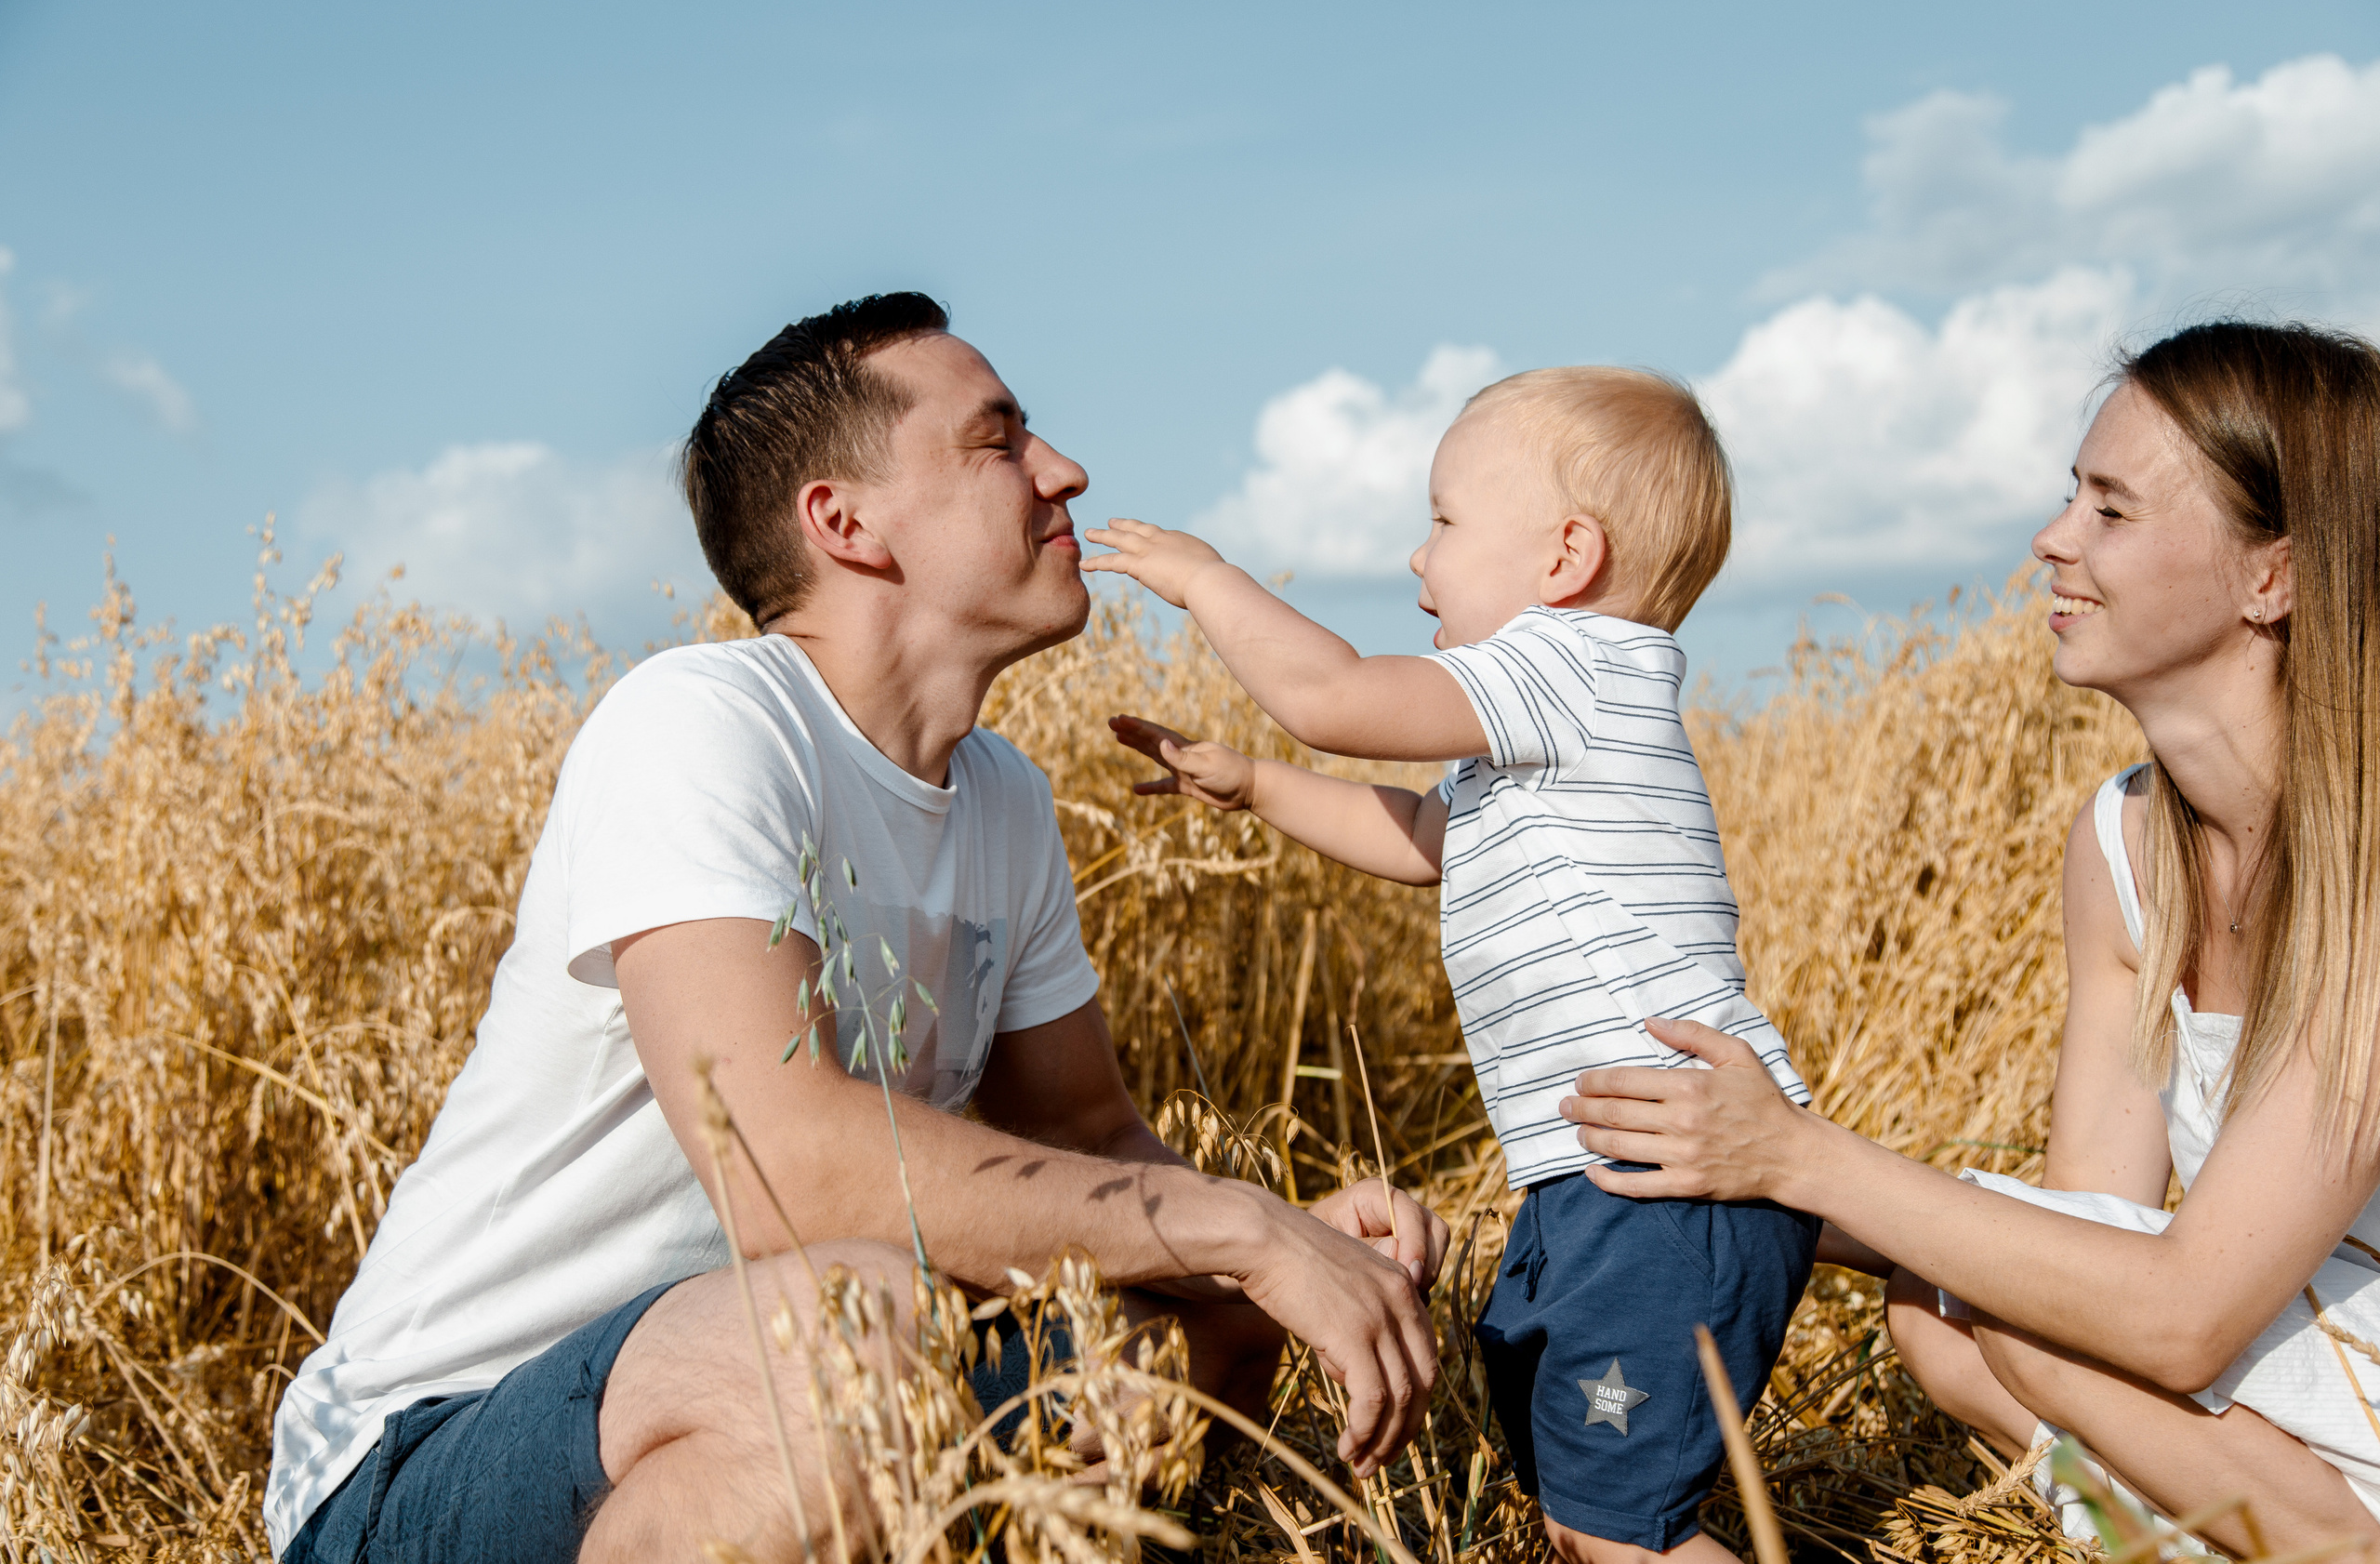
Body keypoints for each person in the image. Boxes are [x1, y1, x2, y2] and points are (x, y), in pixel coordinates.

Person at [264, 293, 1450, 1564]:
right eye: (999, 441)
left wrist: (1299, 1251)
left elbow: (1094, 1138)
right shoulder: (701, 722)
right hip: (427, 1462)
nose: (1065, 472)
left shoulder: (1002, 798)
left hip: (830, 1375)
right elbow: (791, 1175)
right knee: (857, 1327)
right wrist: (1239, 1229)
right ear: (845, 521)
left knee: (1215, 1330)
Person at [1554, 321, 2380, 1551]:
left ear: (2276, 577)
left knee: (2008, 1309)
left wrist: (1800, 1163)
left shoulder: (2368, 866)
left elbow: (2183, 1322)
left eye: (2112, 510)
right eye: (2070, 499)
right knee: (1946, 1307)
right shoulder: (2121, 842)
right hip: (2289, 1356)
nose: (2054, 540)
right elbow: (2088, 1225)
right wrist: (1715, 1170)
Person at [1085, 365, 1818, 1564]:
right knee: (1596, 1515)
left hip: (1666, 1181)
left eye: (1443, 520)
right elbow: (1430, 841)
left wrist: (1207, 580)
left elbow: (1330, 696)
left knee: (1622, 1534)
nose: (1417, 558)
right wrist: (1259, 789)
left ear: (1566, 556)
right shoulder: (1546, 724)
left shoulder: (1570, 662)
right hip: (1610, 1177)